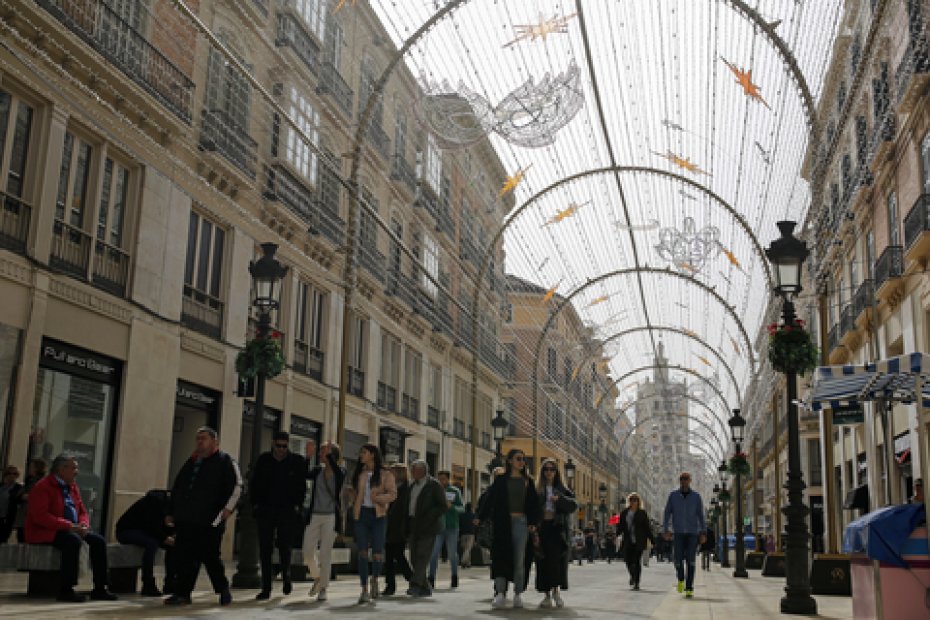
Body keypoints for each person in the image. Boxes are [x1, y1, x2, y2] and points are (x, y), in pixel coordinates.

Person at [165, 426, 242, 606]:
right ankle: (183, 593)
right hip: (187, 518)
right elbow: (178, 487)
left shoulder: (226, 461)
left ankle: (222, 589)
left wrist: (228, 509)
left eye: (204, 438)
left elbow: (237, 487)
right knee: (185, 556)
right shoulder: (192, 461)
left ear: (215, 442)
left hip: (211, 518)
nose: (200, 442)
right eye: (198, 439)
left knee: (210, 556)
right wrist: (171, 512)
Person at [25, 454, 118, 602]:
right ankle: (66, 589)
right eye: (74, 467)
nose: (77, 471)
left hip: (72, 528)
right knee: (72, 541)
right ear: (61, 470)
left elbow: (82, 510)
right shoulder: (42, 487)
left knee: (99, 541)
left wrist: (83, 524)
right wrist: (69, 526)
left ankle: (100, 588)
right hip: (47, 531)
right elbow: (40, 516)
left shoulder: (73, 487)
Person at [477, 449, 540, 609]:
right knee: (500, 557)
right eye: (518, 458)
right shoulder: (501, 480)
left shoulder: (528, 481)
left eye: (523, 459)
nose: (522, 462)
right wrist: (480, 516)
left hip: (521, 523)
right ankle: (500, 593)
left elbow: (534, 504)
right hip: (502, 523)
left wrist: (533, 522)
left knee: (519, 559)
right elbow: (490, 499)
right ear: (510, 461)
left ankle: (518, 593)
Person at [251, 431, 307, 600]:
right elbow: (255, 483)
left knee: (285, 546)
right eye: (278, 446)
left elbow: (301, 486)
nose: (281, 449)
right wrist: (255, 504)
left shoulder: (296, 462)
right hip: (266, 510)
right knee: (265, 548)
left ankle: (286, 577)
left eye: (284, 446)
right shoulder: (264, 460)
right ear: (273, 443)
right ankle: (266, 587)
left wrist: (297, 505)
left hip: (287, 510)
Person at [344, 444, 396, 604]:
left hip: (378, 515)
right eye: (361, 452)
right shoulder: (359, 472)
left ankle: (374, 579)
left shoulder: (385, 474)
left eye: (364, 452)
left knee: (378, 552)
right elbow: (355, 492)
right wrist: (352, 496)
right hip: (361, 515)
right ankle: (364, 589)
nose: (361, 455)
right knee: (362, 553)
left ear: (373, 455)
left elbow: (393, 494)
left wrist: (378, 499)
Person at [303, 439, 345, 602]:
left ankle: (323, 589)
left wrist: (331, 458)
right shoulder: (317, 471)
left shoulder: (340, 471)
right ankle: (318, 577)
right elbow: (304, 474)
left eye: (323, 452)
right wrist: (308, 457)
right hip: (314, 515)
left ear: (330, 456)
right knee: (307, 552)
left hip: (330, 517)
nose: (320, 455)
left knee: (325, 554)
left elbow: (338, 474)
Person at [115, 489, 177, 596]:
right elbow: (152, 526)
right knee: (152, 543)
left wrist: (171, 536)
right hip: (127, 530)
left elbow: (165, 527)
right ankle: (148, 583)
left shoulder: (169, 505)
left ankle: (170, 583)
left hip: (144, 531)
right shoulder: (155, 501)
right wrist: (165, 538)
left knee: (171, 546)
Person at [534, 458, 576, 608]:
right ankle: (546, 595)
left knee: (556, 561)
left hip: (557, 528)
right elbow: (531, 508)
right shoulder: (537, 489)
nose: (549, 472)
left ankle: (556, 592)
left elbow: (573, 505)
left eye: (552, 469)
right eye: (546, 469)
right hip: (542, 528)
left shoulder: (563, 489)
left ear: (556, 472)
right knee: (542, 561)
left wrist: (559, 499)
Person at [405, 460, 447, 597]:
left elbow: (443, 506)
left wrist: (430, 515)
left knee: (423, 556)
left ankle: (416, 585)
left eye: (414, 470)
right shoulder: (411, 485)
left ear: (422, 471)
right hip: (413, 524)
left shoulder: (433, 485)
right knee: (414, 558)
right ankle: (426, 587)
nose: (412, 473)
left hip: (428, 526)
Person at [662, 471, 706, 598]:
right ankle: (680, 579)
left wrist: (703, 532)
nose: (684, 481)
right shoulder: (673, 496)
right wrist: (666, 529)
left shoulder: (696, 497)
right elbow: (667, 513)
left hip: (693, 533)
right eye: (682, 479)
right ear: (679, 481)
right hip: (678, 533)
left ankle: (689, 587)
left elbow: (701, 516)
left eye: (686, 479)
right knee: (677, 560)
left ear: (690, 480)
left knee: (691, 561)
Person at [428, 470, 464, 589]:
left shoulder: (455, 491)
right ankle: (431, 578)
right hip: (438, 527)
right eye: (439, 478)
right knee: (434, 553)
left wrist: (452, 507)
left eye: (443, 479)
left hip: (452, 526)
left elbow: (462, 509)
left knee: (452, 554)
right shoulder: (435, 491)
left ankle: (454, 576)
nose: (441, 481)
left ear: (448, 479)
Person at [382, 461, 413, 596]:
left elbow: (403, 510)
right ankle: (391, 585)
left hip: (399, 527)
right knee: (389, 556)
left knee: (398, 555)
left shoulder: (406, 489)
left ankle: (411, 578)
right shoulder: (392, 487)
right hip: (390, 526)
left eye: (393, 472)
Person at [618, 493, 654, 590]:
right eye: (631, 500)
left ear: (638, 502)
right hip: (628, 540)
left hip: (639, 540)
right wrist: (616, 535)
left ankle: (637, 582)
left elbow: (647, 528)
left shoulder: (642, 513)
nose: (633, 502)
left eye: (635, 500)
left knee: (637, 561)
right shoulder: (624, 512)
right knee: (628, 560)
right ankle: (632, 575)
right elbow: (620, 526)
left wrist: (652, 539)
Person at [14, 458, 47, 542]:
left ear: (36, 468)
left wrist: (28, 496)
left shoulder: (41, 482)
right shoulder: (29, 480)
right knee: (21, 537)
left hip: (31, 517)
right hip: (24, 516)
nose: (29, 468)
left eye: (31, 466)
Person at [0, 465, 23, 544]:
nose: (12, 476)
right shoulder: (1, 486)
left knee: (3, 538)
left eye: (14, 474)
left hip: (8, 517)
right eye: (9, 473)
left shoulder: (18, 488)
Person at [459, 502, 476, 569]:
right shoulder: (474, 516)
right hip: (471, 534)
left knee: (465, 549)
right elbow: (475, 526)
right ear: (471, 508)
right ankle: (463, 561)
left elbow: (459, 525)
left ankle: (468, 563)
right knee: (468, 549)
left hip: (463, 534)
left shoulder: (461, 515)